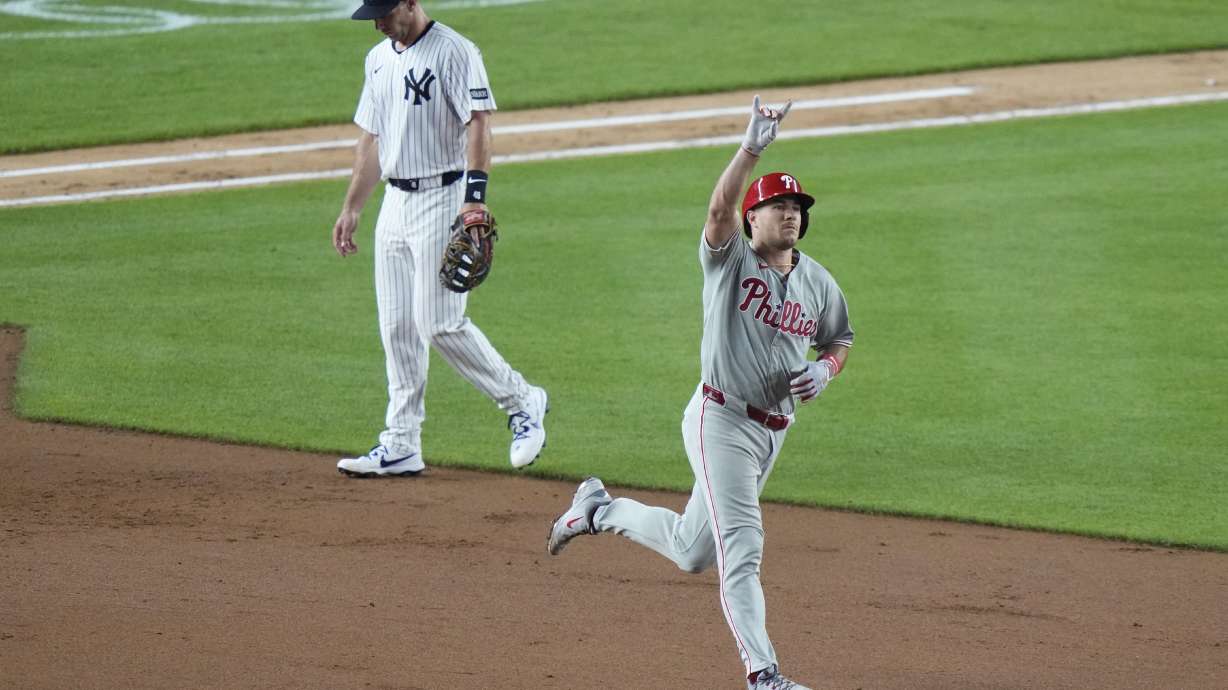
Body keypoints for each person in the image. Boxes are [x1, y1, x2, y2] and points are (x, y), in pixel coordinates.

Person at [545, 96, 853, 690]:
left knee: (692, 550)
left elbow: (841, 338)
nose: (788, 214)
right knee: (743, 545)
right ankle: (763, 674)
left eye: (795, 206)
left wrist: (827, 370)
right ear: (752, 218)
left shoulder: (818, 281)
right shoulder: (729, 260)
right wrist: (752, 148)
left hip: (773, 435)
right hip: (721, 421)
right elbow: (716, 209)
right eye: (774, 205)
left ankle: (596, 508)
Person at [331, 0, 547, 476]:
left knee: (440, 323)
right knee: (397, 328)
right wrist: (352, 206)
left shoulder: (454, 51)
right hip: (395, 202)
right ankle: (402, 442)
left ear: (411, 2)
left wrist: (475, 197)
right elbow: (371, 140)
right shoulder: (378, 58)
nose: (377, 22)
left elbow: (479, 121)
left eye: (384, 12)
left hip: (442, 196)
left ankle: (522, 400)